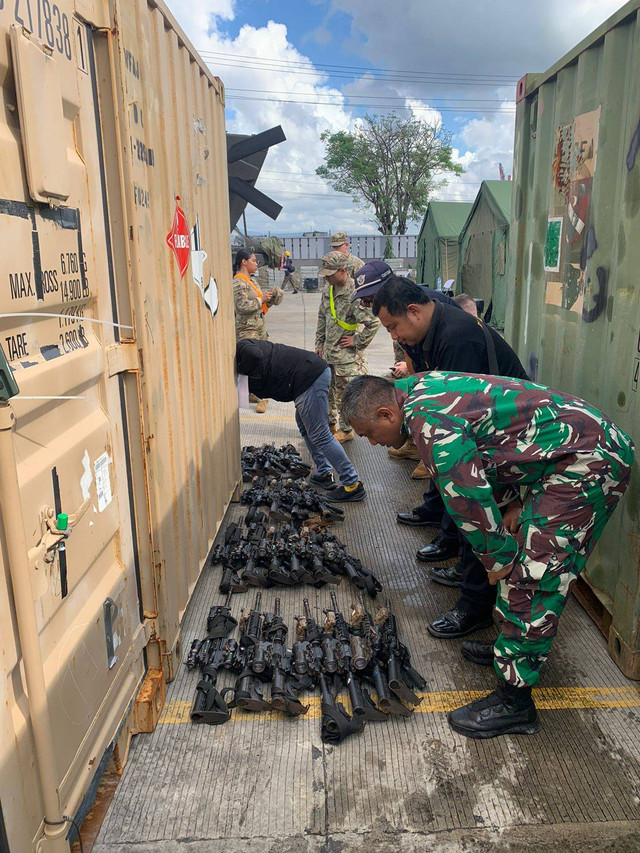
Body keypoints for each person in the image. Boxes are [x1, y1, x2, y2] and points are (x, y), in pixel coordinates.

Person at [341, 372, 633, 738]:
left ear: (386, 414)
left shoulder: (428, 421)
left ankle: (515, 702)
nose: (371, 444)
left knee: (531, 576)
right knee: (519, 562)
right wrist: (510, 503)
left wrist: (498, 561)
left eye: (368, 433)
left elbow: (468, 500)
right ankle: (508, 651)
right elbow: (486, 447)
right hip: (568, 454)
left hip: (587, 462)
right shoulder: (416, 390)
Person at [371, 276, 529, 645]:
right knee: (461, 501)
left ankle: (475, 607)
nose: (394, 337)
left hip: (507, 438)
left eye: (394, 327)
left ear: (414, 311)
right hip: (489, 434)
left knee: (475, 508)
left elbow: (459, 424)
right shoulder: (432, 331)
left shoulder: (458, 338)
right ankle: (466, 571)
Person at [352, 261, 461, 478]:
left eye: (371, 299)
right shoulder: (394, 315)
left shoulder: (420, 304)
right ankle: (415, 444)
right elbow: (411, 355)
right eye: (366, 302)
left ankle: (430, 453)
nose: (370, 306)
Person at [236, 340, 365, 502]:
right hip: (306, 378)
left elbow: (254, 355)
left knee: (321, 434)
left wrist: (240, 371)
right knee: (305, 426)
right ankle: (324, 473)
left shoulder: (241, 347)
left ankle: (352, 484)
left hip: (309, 377)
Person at [315, 251, 380, 444]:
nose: (326, 277)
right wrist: (319, 344)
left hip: (346, 357)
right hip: (328, 353)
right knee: (328, 391)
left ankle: (346, 430)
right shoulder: (328, 290)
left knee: (344, 394)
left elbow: (373, 323)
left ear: (343, 270)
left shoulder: (355, 293)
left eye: (330, 273)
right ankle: (330, 424)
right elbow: (322, 318)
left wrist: (357, 342)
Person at [233, 249, 283, 413]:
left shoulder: (251, 281)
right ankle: (260, 396)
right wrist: (261, 299)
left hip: (258, 329)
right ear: (244, 262)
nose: (257, 264)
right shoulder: (238, 283)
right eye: (254, 260)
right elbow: (241, 307)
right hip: (247, 331)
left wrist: (269, 300)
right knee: (253, 362)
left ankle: (255, 393)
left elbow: (257, 309)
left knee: (262, 362)